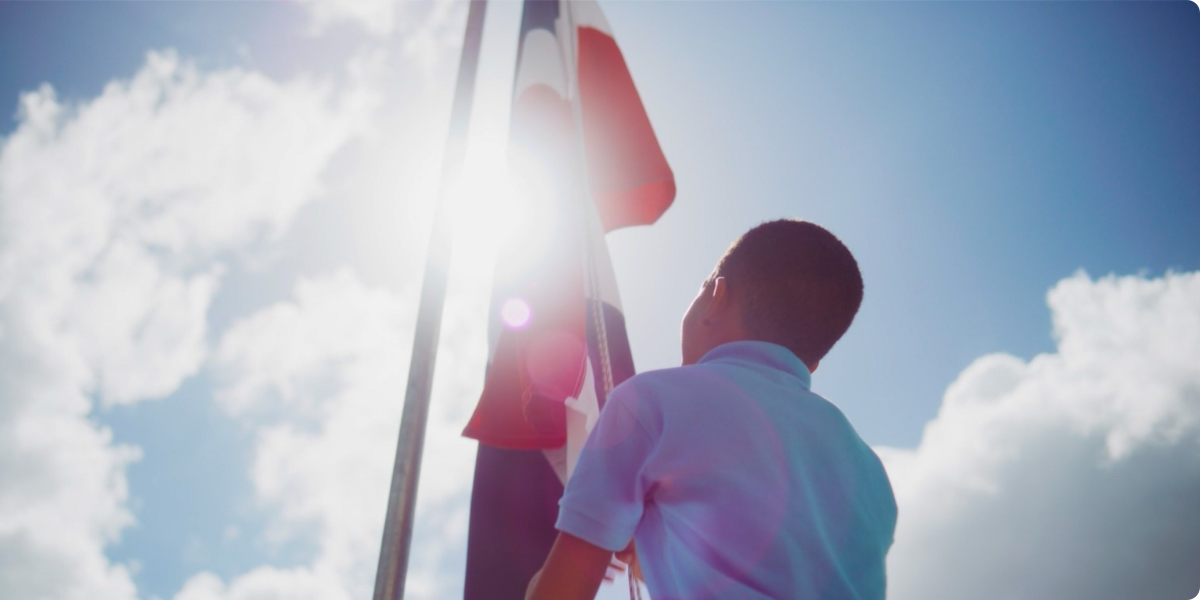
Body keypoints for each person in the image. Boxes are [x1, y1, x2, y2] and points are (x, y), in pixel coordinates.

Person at [525, 219, 897, 600]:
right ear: (813, 362)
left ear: (715, 297)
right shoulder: (872, 472)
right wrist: (653, 547)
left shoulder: (648, 402)